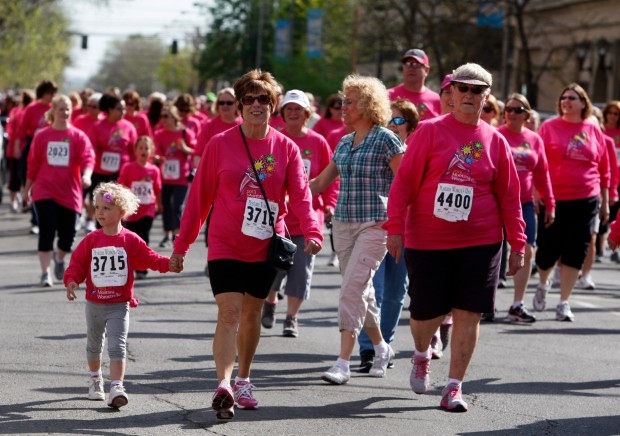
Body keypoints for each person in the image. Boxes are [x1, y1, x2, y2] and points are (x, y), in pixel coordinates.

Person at [170, 69, 322, 420]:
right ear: (239, 105)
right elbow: (199, 200)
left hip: (265, 245)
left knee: (253, 314)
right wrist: (182, 245)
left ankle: (243, 378)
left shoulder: (286, 148)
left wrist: (312, 231)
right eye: (249, 99)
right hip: (225, 242)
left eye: (264, 100)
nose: (257, 105)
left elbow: (301, 196)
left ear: (274, 105)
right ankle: (223, 383)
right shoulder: (219, 144)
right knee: (229, 313)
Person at [384, 63, 526, 412]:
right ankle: (420, 353)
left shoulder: (495, 141)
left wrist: (518, 243)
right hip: (428, 239)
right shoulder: (430, 132)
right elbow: (404, 184)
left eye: (477, 90)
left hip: (481, 240)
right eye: (462, 88)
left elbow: (509, 195)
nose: (468, 95)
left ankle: (453, 386)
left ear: (486, 96)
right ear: (451, 91)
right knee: (424, 314)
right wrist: (395, 229)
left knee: (468, 313)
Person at [310, 74, 404, 385]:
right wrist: (283, 191)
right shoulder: (344, 142)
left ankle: (342, 362)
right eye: (342, 102)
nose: (342, 107)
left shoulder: (386, 139)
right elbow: (321, 183)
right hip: (343, 225)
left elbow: (405, 184)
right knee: (361, 293)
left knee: (350, 291)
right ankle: (381, 347)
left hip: (375, 224)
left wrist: (400, 226)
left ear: (366, 104)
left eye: (348, 102)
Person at [64, 182, 179, 408]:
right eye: (97, 207)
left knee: (118, 345)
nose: (99, 212)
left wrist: (170, 264)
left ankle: (117, 386)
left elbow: (151, 259)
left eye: (106, 208)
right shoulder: (91, 239)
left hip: (119, 304)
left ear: (121, 212)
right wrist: (71, 280)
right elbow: (77, 264)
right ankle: (96, 379)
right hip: (95, 303)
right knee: (94, 345)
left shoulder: (130, 240)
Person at [261, 90, 337, 337]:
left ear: (307, 114)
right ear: (282, 114)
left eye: (298, 109)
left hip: (308, 218)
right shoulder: (273, 140)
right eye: (289, 109)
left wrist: (329, 203)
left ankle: (291, 318)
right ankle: (271, 300)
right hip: (278, 219)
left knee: (301, 272)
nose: (294, 113)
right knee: (274, 268)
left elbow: (330, 178)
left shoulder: (318, 142)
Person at [533, 83, 610, 322]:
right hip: (554, 200)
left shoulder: (593, 128)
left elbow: (604, 168)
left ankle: (563, 302)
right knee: (547, 251)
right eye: (564, 97)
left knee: (576, 251)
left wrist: (605, 202)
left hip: (586, 199)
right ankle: (543, 284)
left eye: (573, 98)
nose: (567, 101)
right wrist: (537, 193)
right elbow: (538, 163)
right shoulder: (549, 127)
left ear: (583, 103)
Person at [357, 98, 418, 373]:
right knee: (373, 290)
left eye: (398, 121)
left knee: (395, 293)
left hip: (407, 230)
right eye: (387, 121)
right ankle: (370, 348)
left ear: (409, 125)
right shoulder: (374, 149)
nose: (392, 126)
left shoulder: (418, 152)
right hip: (375, 228)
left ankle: (387, 344)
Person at [24, 95, 95, 287]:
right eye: (61, 109)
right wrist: (27, 188)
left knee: (69, 234)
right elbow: (33, 164)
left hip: (70, 192)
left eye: (68, 109)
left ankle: (60, 257)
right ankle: (45, 273)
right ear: (53, 111)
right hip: (44, 190)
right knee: (46, 231)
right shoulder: (42, 136)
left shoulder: (78, 136)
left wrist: (87, 175)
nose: (65, 113)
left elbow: (88, 158)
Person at [497, 93, 555, 322]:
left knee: (526, 251)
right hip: (496, 202)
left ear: (526, 115)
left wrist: (550, 203)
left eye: (517, 110)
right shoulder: (496, 135)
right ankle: (485, 302)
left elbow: (542, 174)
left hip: (524, 204)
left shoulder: (534, 139)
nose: (512, 113)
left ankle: (517, 304)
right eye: (508, 109)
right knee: (493, 251)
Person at [84, 93, 138, 231]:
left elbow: (134, 151)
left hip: (121, 173)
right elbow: (91, 150)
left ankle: (121, 234)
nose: (123, 112)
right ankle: (100, 230)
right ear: (109, 109)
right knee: (102, 204)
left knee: (119, 204)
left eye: (124, 109)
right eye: (119, 109)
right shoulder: (97, 126)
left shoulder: (128, 127)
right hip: (100, 173)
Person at [118, 136, 163, 279]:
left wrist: (159, 205)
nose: (144, 151)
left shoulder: (154, 170)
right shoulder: (128, 168)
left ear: (151, 151)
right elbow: (121, 186)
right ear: (135, 151)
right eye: (141, 148)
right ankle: (129, 265)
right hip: (131, 211)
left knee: (143, 236)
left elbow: (157, 189)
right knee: (130, 239)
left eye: (147, 148)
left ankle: (141, 267)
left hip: (147, 209)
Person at [154, 102, 196, 248]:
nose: (163, 119)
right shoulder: (159, 134)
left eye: (166, 116)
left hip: (181, 177)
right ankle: (167, 234)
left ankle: (177, 234)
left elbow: (195, 151)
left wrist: (185, 149)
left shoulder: (185, 133)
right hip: (165, 176)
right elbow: (156, 151)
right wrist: (158, 157)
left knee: (177, 206)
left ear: (174, 117)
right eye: (161, 116)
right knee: (166, 206)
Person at [388, 48, 441, 121]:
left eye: (416, 64)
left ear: (426, 70)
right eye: (407, 64)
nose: (411, 68)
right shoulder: (387, 96)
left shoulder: (437, 100)